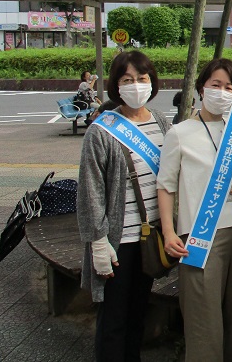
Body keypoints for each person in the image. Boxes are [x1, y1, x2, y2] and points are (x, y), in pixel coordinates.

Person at [157, 58, 232, 362]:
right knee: (204, 321)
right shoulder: (180, 133)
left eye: (230, 87)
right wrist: (168, 231)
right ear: (202, 88)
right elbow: (166, 186)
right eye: (216, 85)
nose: (222, 91)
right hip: (200, 237)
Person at [76, 51, 171, 362]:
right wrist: (98, 240)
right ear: (116, 86)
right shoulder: (100, 130)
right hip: (117, 242)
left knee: (137, 315)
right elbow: (90, 192)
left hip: (149, 240)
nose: (136, 85)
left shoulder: (160, 122)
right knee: (113, 321)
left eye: (142, 79)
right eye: (127, 80)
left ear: (152, 83)